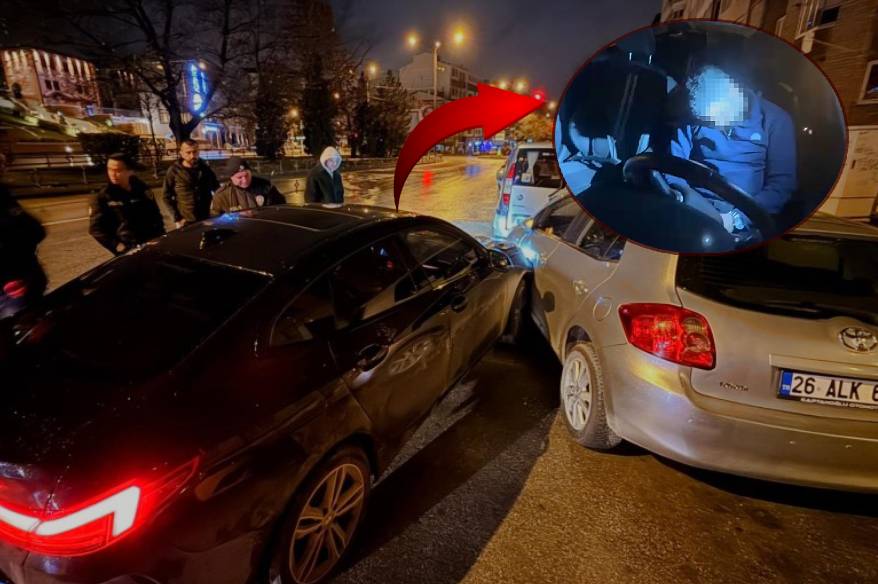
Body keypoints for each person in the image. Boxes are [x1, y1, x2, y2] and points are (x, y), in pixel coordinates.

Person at [670, 65, 797, 233]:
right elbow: (673, 164)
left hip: (742, 216)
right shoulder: (695, 113)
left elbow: (781, 186)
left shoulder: (775, 120)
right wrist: (680, 197)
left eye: (719, 118)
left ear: (734, 94)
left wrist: (737, 219)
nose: (714, 126)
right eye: (708, 122)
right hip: (694, 204)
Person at [88, 153, 165, 256]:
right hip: (128, 249)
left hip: (151, 243)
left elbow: (155, 215)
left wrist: (161, 236)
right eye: (110, 169)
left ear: (130, 171)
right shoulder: (104, 196)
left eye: (118, 170)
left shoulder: (142, 189)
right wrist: (118, 246)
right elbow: (95, 229)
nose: (112, 174)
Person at [0, 152, 47, 318]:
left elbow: (35, 229)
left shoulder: (4, 195)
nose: (4, 170)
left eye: (4, 165)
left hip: (24, 277)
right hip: (12, 286)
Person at [161, 139, 219, 228]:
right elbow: (166, 196)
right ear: (181, 153)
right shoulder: (174, 171)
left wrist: (217, 211)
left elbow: (217, 189)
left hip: (206, 217)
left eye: (195, 152)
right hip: (185, 220)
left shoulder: (205, 169)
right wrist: (177, 218)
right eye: (188, 152)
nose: (192, 155)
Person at [210, 156, 285, 216]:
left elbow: (281, 209)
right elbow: (216, 220)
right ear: (231, 178)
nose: (245, 180)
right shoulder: (222, 196)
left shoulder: (266, 187)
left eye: (247, 175)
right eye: (239, 177)